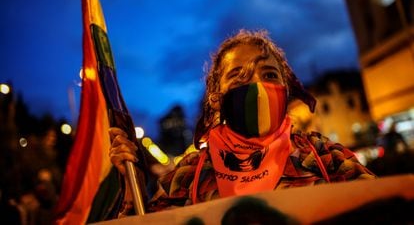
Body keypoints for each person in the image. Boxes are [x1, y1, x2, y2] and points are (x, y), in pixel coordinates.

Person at [109, 29, 376, 216]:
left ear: (286, 89)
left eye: (269, 74)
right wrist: (134, 194)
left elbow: (386, 208)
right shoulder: (190, 175)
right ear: (216, 99)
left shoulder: (323, 156)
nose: (257, 87)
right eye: (238, 77)